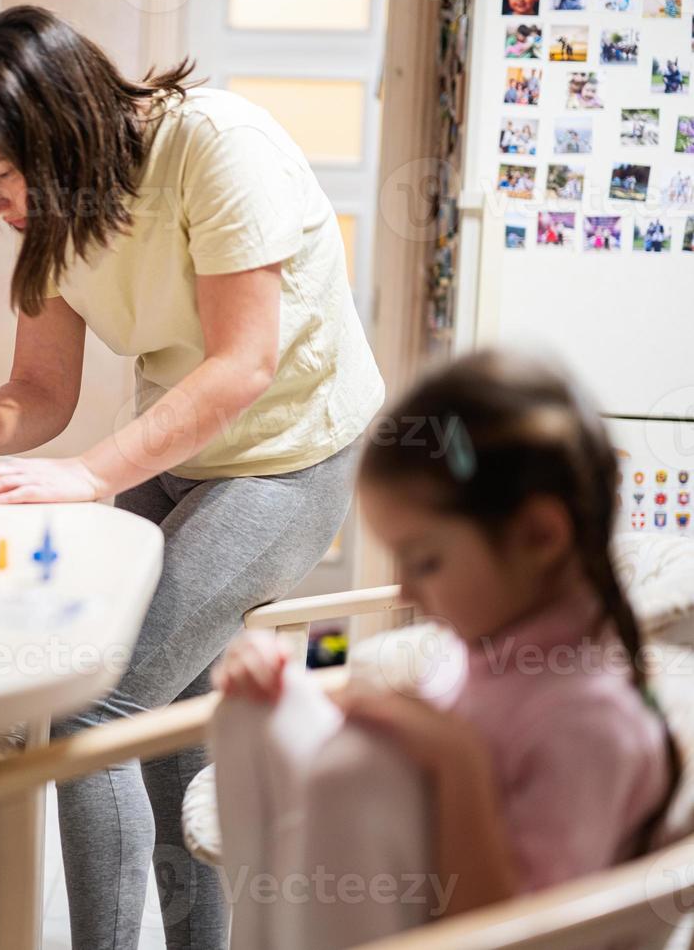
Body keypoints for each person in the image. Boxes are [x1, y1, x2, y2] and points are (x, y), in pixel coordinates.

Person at [0, 5, 384, 950]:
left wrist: (90, 476)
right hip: (185, 453)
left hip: (294, 453)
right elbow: (40, 389)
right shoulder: (52, 221)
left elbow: (242, 364)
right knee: (168, 711)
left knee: (96, 706)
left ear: (60, 132)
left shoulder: (219, 148)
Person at [213, 351, 677, 948]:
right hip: (391, 907)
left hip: (472, 929)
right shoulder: (489, 650)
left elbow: (515, 936)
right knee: (257, 709)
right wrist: (287, 684)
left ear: (540, 536)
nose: (405, 589)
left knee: (354, 775)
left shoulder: (592, 723)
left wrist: (457, 759)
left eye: (425, 560)